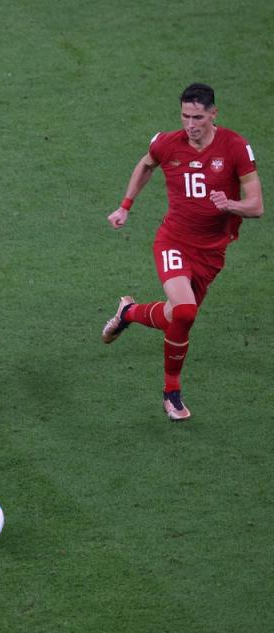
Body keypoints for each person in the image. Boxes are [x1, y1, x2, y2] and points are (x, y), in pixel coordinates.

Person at [103, 83, 263, 421]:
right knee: (186, 312)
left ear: (213, 114)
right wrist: (125, 207)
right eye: (185, 116)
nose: (191, 124)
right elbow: (145, 165)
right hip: (173, 240)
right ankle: (171, 393)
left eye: (198, 117)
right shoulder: (167, 143)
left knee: (177, 316)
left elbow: (257, 205)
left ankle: (128, 313)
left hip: (212, 252)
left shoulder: (235, 147)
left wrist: (231, 204)